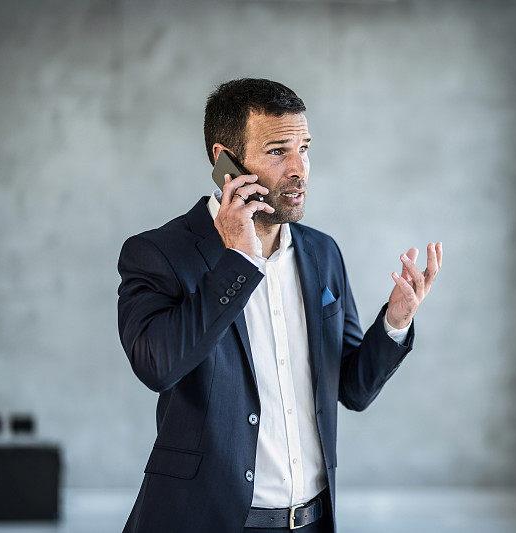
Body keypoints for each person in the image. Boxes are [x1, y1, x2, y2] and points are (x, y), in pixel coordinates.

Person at [116, 78, 442, 532]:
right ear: (225, 161)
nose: (299, 169)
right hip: (206, 521)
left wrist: (395, 322)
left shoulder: (322, 254)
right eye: (277, 151)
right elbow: (158, 366)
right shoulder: (158, 253)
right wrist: (237, 261)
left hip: (310, 521)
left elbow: (353, 389)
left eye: (304, 148)